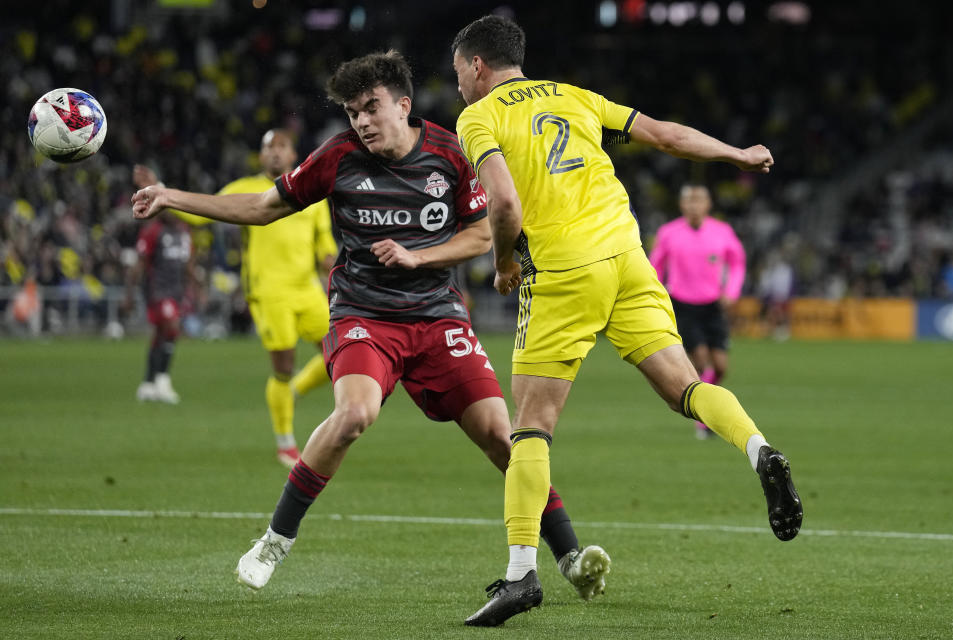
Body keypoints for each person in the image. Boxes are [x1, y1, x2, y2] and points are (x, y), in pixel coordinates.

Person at [131, 51, 609, 603]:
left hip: (437, 317)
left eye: (371, 108)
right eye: (353, 111)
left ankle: (571, 557)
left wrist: (417, 256)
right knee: (355, 413)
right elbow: (264, 207)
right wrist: (172, 197)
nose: (361, 121)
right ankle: (275, 540)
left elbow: (481, 236)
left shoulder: (452, 153)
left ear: (403, 105)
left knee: (505, 438)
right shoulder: (337, 157)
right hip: (365, 315)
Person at [452, 15, 803, 626]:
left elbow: (504, 202)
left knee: (530, 427)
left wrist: (505, 262)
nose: (457, 85)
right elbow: (665, 134)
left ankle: (519, 577)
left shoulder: (478, 118)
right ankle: (759, 449)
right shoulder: (573, 95)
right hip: (627, 255)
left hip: (563, 270)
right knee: (686, 387)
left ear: (477, 65)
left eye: (457, 72)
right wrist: (736, 154)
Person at [133, 128, 338, 468]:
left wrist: (336, 268)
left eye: (282, 147)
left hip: (307, 291)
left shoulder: (310, 190)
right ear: (261, 156)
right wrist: (164, 193)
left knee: (339, 354)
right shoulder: (244, 189)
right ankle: (286, 443)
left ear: (292, 155)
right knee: (283, 366)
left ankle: (295, 391)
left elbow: (325, 248)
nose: (275, 152)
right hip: (269, 292)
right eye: (268, 147)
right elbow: (204, 210)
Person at [648, 184, 746, 439]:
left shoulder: (722, 232)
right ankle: (705, 420)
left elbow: (737, 263)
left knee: (721, 366)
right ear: (682, 205)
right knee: (701, 360)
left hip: (712, 305)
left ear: (708, 204)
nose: (694, 205)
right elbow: (654, 266)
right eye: (689, 201)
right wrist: (657, 295)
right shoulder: (669, 233)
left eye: (699, 200)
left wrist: (731, 292)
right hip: (683, 304)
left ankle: (707, 407)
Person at [125, 207, 194, 404]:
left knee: (160, 335)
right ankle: (163, 380)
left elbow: (188, 263)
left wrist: (195, 288)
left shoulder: (184, 232)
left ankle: (147, 384)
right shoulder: (153, 231)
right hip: (158, 290)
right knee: (172, 329)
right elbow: (139, 263)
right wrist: (129, 294)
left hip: (177, 291)